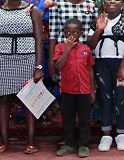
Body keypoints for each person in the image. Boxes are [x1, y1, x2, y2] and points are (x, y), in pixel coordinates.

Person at [0, 0, 44, 155]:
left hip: (27, 58)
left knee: (28, 100)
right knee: (4, 100)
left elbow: (38, 39)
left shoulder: (32, 10)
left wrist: (38, 66)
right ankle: (4, 141)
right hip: (2, 58)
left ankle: (31, 141)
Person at [87, 0, 124, 152]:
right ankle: (106, 134)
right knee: (105, 97)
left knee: (121, 97)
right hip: (102, 63)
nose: (112, 1)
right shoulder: (98, 20)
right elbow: (90, 45)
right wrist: (99, 30)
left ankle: (121, 134)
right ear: (105, 2)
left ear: (122, 3)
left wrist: (123, 66)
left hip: (122, 64)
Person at [54, 19, 96, 158]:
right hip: (67, 90)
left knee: (84, 118)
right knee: (68, 118)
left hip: (84, 90)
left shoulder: (86, 49)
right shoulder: (60, 48)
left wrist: (92, 91)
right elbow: (59, 65)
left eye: (75, 32)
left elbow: (90, 70)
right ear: (64, 32)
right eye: (68, 32)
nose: (71, 35)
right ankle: (69, 143)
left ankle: (84, 144)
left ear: (81, 33)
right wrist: (67, 49)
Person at [47, 0, 97, 79]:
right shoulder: (58, 4)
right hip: (63, 55)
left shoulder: (91, 5)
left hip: (84, 55)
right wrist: (51, 61)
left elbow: (93, 31)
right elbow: (53, 34)